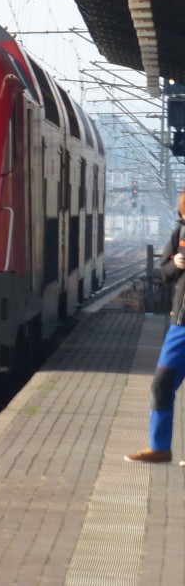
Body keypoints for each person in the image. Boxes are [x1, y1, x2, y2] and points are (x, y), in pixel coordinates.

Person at [125, 187, 185, 463]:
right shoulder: (179, 233)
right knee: (161, 384)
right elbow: (162, 272)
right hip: (180, 322)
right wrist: (176, 264)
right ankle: (160, 448)